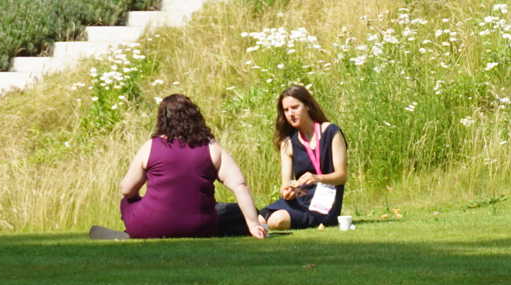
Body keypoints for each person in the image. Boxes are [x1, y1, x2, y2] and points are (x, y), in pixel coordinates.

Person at [102, 94, 269, 240]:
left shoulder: (150, 147)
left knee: (128, 201)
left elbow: (127, 189)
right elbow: (239, 186)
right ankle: (255, 223)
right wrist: (253, 224)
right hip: (199, 227)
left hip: (148, 226)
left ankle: (137, 228)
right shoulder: (211, 148)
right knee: (230, 212)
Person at [257, 84, 348, 232]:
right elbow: (284, 187)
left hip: (324, 202)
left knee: (277, 220)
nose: (290, 114)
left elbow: (342, 176)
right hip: (299, 200)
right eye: (286, 110)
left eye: (295, 107)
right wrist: (287, 191)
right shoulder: (287, 143)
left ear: (307, 106)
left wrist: (317, 178)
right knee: (257, 220)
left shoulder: (331, 132)